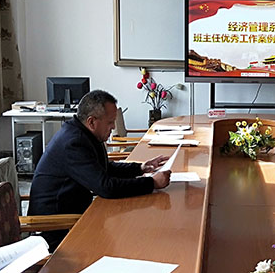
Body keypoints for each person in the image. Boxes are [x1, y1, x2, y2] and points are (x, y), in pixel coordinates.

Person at [28, 89, 171, 248]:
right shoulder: (73, 142)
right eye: (110, 122)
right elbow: (105, 187)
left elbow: (104, 168)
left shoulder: (85, 134)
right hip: (55, 227)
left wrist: (141, 168)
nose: (113, 127)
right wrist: (151, 183)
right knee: (131, 239)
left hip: (75, 214)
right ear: (91, 122)